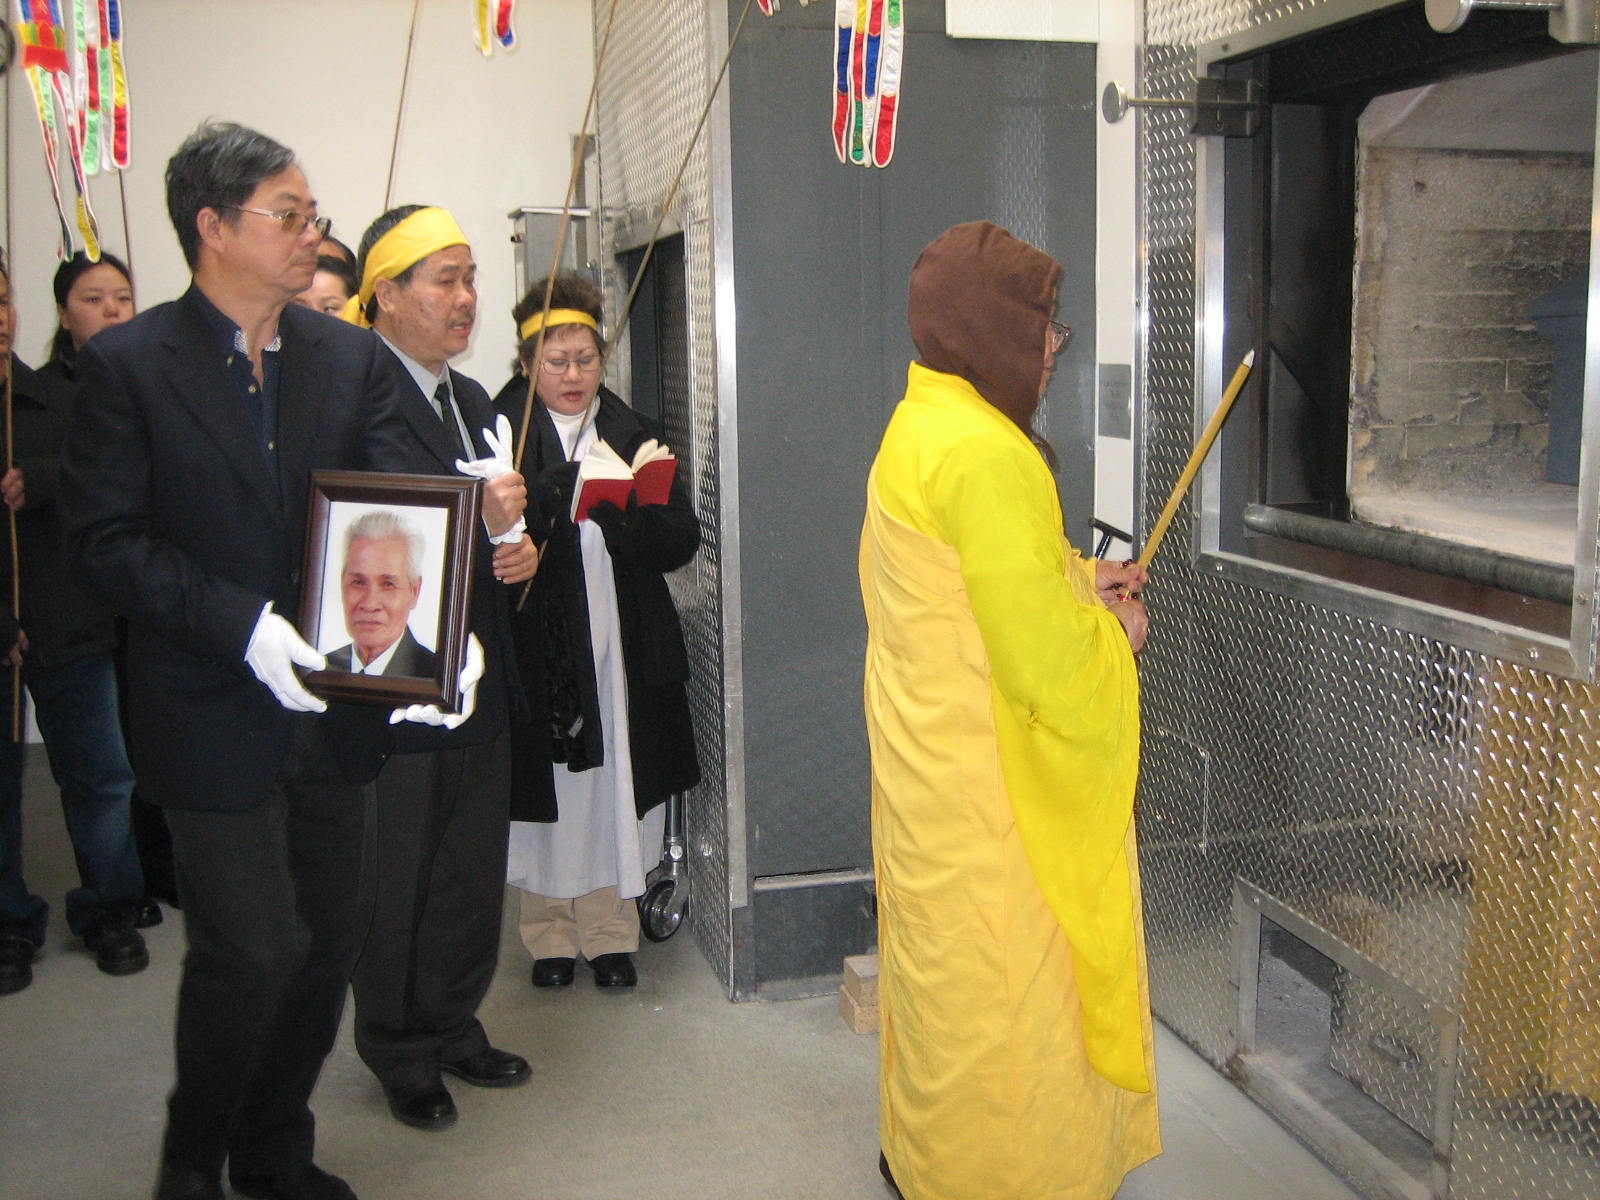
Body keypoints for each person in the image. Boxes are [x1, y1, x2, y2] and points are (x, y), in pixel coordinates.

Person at [59, 121, 426, 1200]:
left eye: (314, 215)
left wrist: (438, 628)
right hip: (205, 702)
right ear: (213, 227)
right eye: (291, 215)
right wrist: (241, 625)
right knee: (250, 947)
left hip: (334, 708)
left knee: (327, 944)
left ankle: (273, 1151)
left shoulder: (347, 356)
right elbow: (106, 541)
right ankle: (191, 1160)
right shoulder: (128, 366)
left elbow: (395, 510)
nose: (314, 233)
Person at [859, 221, 1159, 1200]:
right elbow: (1044, 669)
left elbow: (977, 580)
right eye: (1041, 327)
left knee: (939, 987)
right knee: (1007, 1007)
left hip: (928, 782)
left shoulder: (923, 421)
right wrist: (1116, 636)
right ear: (989, 330)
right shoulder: (988, 456)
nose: (1052, 346)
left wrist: (1076, 574)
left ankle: (925, 1161)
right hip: (996, 798)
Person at [343, 203, 537, 1132]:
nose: (466, 299)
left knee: (467, 866)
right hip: (397, 682)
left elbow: (497, 529)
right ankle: (397, 1046)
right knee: (399, 875)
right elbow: (363, 524)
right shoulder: (351, 396)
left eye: (471, 279)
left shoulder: (472, 400)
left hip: (476, 674)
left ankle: (453, 1020)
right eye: (445, 280)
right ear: (387, 295)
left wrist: (517, 550)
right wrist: (475, 510)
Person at [497, 271, 700, 991]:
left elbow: (681, 537)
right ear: (528, 364)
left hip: (620, 643)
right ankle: (549, 933)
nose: (573, 375)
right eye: (556, 361)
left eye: (585, 359)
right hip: (541, 649)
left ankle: (611, 931)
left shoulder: (632, 431)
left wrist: (628, 523)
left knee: (617, 778)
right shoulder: (500, 434)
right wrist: (538, 511)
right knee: (550, 787)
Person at [0, 249, 150, 996]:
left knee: (101, 778)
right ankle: (8, 924)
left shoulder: (58, 399)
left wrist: (44, 481)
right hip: (5, 626)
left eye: (3, 301)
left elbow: (113, 478)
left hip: (69, 618)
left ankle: (110, 908)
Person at [33, 251, 178, 916]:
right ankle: (119, 887)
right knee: (104, 756)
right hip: (76, 604)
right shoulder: (41, 396)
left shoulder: (152, 382)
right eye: (94, 300)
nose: (114, 311)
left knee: (153, 741)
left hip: (148, 590)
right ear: (65, 315)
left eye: (122, 297)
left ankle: (159, 866)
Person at [324, 510, 436, 677]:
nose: (370, 604)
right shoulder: (317, 670)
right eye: (358, 582)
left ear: (414, 591)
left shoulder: (438, 678)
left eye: (388, 584)